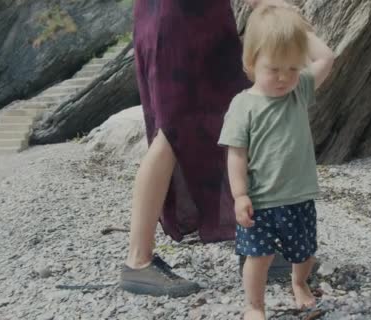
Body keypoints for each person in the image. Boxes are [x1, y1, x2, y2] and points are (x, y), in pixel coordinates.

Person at [120, 0, 297, 298]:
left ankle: (253, 247)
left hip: (183, 18)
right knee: (174, 130)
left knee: (232, 118)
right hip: (182, 20)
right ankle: (137, 261)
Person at [218, 5, 335, 319]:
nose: (284, 78)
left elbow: (327, 58)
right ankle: (254, 305)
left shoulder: (299, 91)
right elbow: (236, 154)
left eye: (293, 68)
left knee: (305, 252)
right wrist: (240, 195)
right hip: (262, 200)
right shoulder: (243, 105)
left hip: (299, 196)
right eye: (274, 69)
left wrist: (300, 30)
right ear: (252, 61)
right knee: (258, 258)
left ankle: (299, 284)